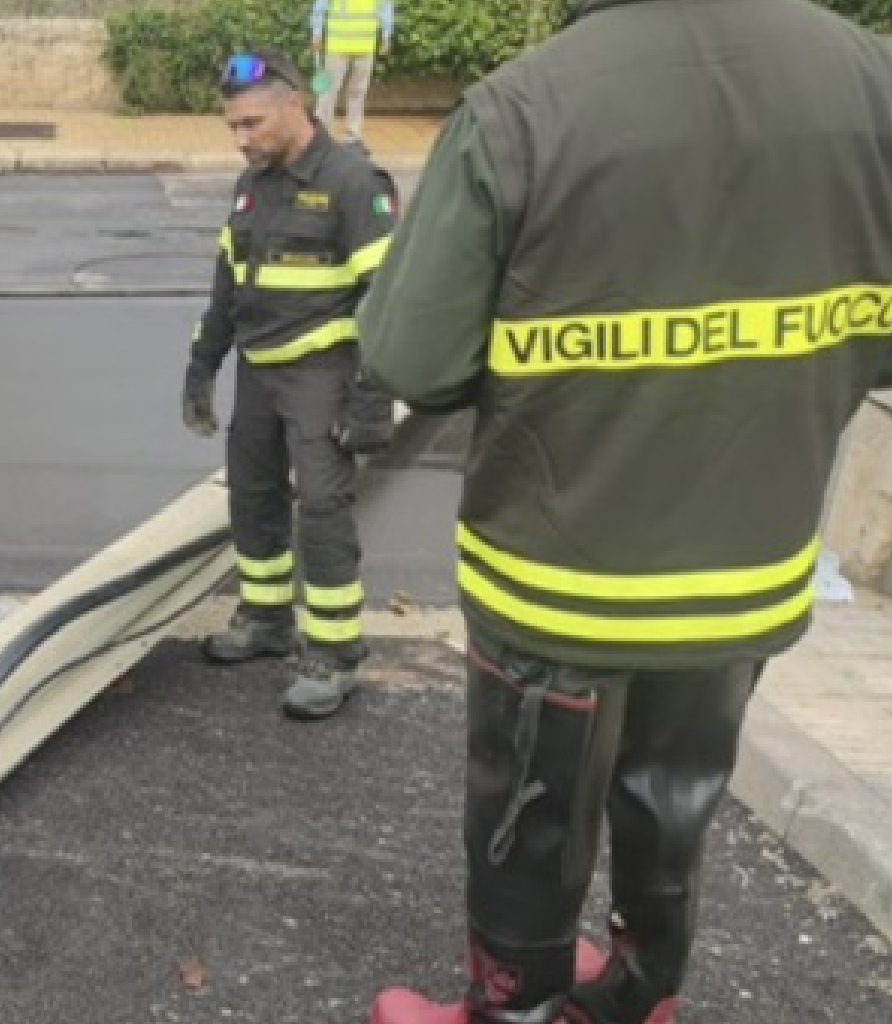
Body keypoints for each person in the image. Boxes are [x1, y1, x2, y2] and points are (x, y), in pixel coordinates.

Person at [356, 0, 892, 1021]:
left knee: (529, 820)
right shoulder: (866, 79)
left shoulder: (522, 110)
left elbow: (409, 357)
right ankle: (641, 992)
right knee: (676, 794)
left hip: (558, 575)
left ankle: (509, 1009)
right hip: (743, 566)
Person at [184, 50, 397, 721]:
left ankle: (334, 653)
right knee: (252, 495)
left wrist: (370, 399)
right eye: (232, 128)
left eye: (250, 124)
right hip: (258, 369)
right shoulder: (253, 185)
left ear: (294, 105)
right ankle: (267, 619)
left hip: (323, 373)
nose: (240, 139)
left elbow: (386, 301)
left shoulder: (353, 182)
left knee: (324, 509)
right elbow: (228, 284)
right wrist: (202, 363)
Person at [311, 0, 396, 142]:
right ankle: (322, 131)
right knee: (328, 90)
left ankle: (353, 133)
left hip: (365, 46)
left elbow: (386, 7)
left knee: (358, 91)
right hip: (337, 46)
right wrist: (317, 32)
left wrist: (386, 36)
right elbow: (320, 6)